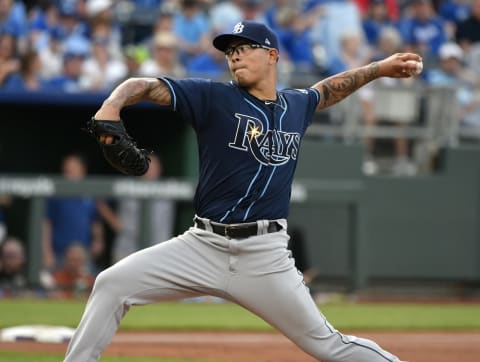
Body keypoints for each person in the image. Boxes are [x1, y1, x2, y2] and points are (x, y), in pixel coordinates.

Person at [64, 20, 418, 362]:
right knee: (111, 283)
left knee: (327, 345)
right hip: (201, 245)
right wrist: (112, 105)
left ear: (272, 56)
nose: (234, 55)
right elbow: (143, 84)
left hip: (264, 256)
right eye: (230, 50)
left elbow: (329, 88)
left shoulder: (297, 105)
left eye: (245, 48)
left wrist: (379, 68)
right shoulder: (213, 97)